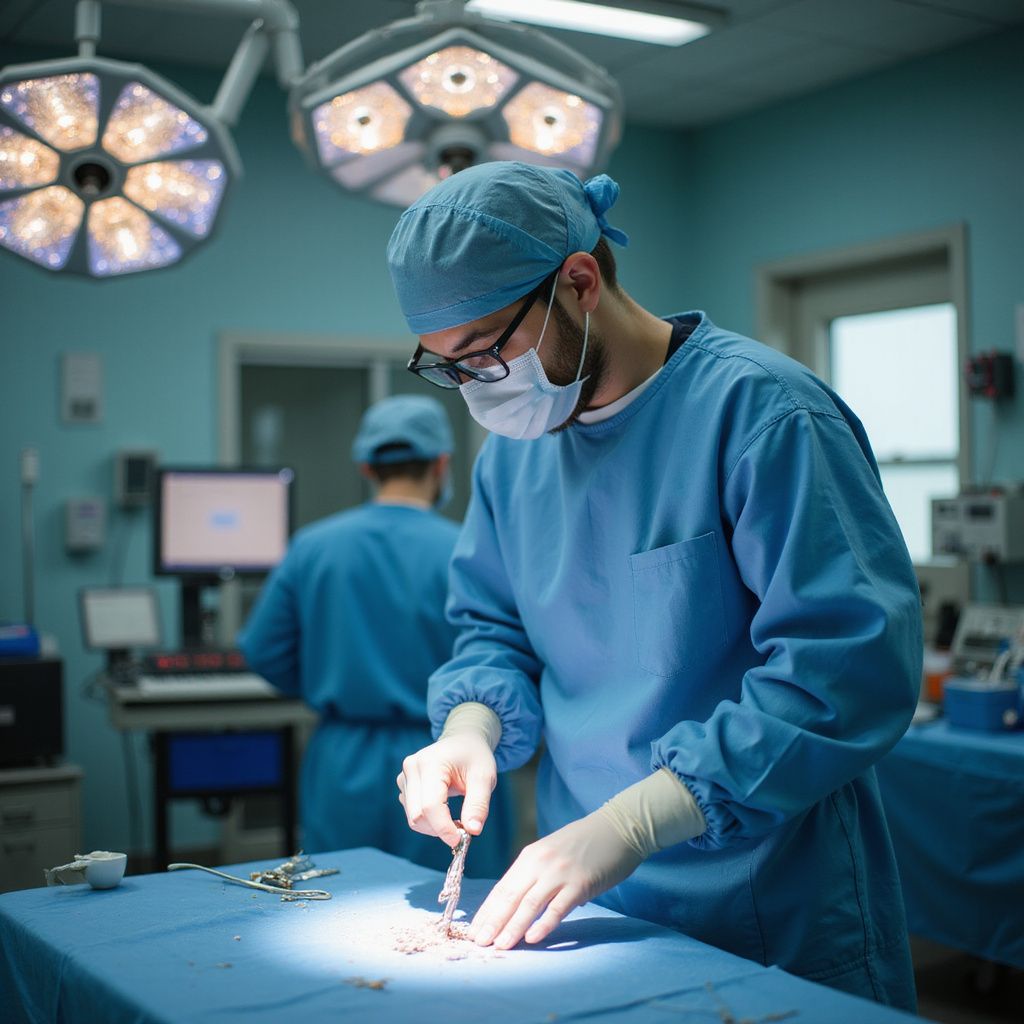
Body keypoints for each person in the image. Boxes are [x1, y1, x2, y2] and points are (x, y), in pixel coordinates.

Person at [388, 162, 922, 1009]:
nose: (477, 388)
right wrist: (471, 727)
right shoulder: (513, 458)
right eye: (447, 368)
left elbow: (845, 673)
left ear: (579, 282)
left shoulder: (766, 417)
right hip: (588, 903)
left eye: (486, 352)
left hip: (769, 898)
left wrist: (633, 823)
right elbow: (494, 628)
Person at [238, 395, 513, 876]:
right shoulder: (466, 550)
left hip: (344, 760)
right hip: (448, 759)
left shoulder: (314, 547)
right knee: (459, 912)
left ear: (366, 468)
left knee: (338, 905)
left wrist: (332, 679)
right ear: (442, 464)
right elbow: (508, 655)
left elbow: (264, 650)